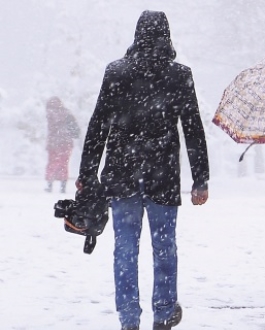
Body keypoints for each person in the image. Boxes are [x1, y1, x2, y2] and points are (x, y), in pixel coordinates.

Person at [76, 10, 209, 330]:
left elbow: (98, 125)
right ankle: (163, 313)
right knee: (164, 247)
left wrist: (87, 172)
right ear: (167, 35)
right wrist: (200, 177)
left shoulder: (116, 72)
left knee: (125, 249)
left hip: (122, 175)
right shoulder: (179, 75)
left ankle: (129, 319)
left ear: (137, 35)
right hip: (162, 175)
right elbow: (192, 128)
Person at [45, 96, 79, 193]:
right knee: (63, 164)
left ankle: (49, 185)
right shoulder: (67, 114)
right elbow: (75, 131)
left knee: (52, 164)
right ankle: (62, 186)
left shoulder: (49, 115)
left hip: (53, 143)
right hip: (65, 143)